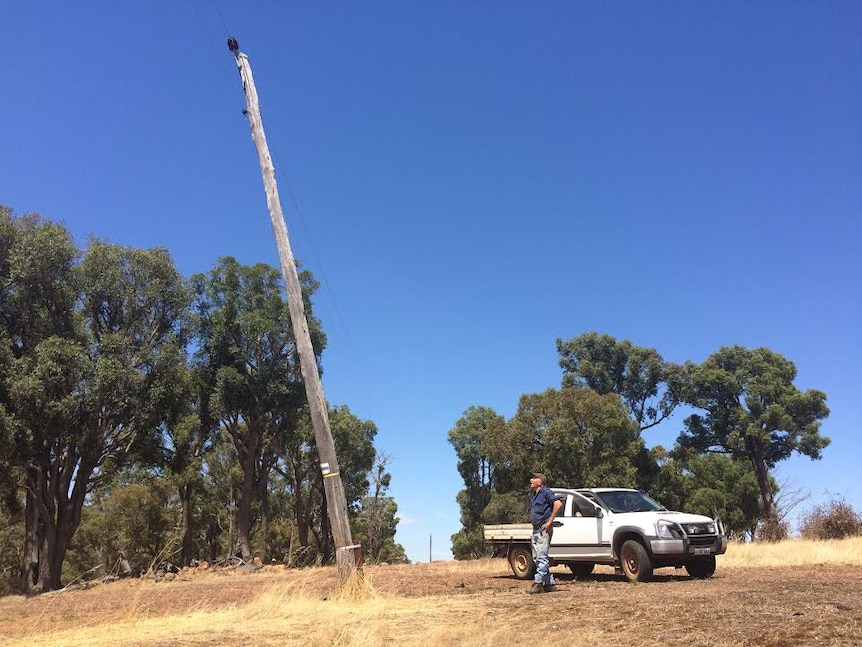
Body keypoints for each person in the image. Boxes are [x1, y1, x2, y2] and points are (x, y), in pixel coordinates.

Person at [527, 472, 562, 593]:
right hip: (536, 530)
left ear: (540, 482)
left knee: (541, 557)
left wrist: (549, 521)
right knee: (537, 557)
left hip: (543, 530)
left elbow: (558, 504)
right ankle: (549, 584)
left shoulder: (546, 492)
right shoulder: (534, 495)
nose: (531, 480)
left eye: (533, 478)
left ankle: (538, 584)